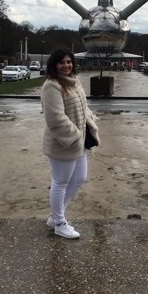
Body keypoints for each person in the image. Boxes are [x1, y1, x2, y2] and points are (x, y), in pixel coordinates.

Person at [40, 48, 100, 239]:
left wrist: (90, 121)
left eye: (69, 62)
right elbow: (55, 119)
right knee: (60, 182)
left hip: (79, 140)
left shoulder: (74, 82)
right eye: (62, 62)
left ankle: (55, 216)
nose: (66, 65)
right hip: (62, 143)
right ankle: (59, 223)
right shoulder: (51, 86)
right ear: (54, 65)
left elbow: (84, 106)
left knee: (79, 179)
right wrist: (76, 134)